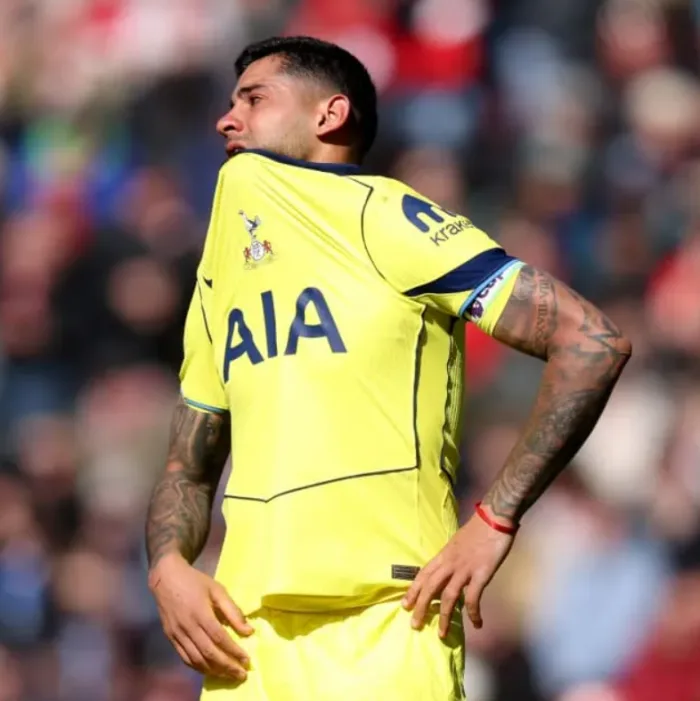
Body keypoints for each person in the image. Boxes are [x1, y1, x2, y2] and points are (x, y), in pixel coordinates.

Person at [145, 36, 632, 701]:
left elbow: (590, 341)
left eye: (254, 99)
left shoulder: (383, 215)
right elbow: (189, 462)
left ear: (330, 114)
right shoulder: (220, 272)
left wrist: (493, 520)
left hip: (386, 624)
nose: (226, 120)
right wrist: (167, 566)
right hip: (245, 645)